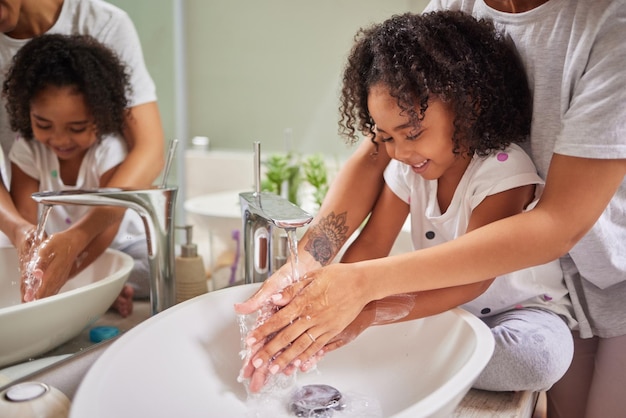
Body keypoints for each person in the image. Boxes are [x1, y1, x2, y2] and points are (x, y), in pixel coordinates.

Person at [235, 1, 626, 416]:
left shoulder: (505, 169)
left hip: (588, 284)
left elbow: (508, 257)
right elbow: (372, 228)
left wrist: (363, 303)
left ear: (470, 105)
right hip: (480, 304)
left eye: (412, 134)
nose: (398, 151)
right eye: (387, 138)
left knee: (537, 361)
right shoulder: (413, 149)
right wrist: (312, 277)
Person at [0, 0, 165, 314]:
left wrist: (71, 274)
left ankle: (104, 288)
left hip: (111, 239)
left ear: (101, 117)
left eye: (76, 127)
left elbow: (148, 154)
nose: (60, 139)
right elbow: (26, 220)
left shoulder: (107, 151)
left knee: (139, 267)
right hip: (62, 246)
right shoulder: (28, 150)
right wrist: (27, 241)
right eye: (44, 125)